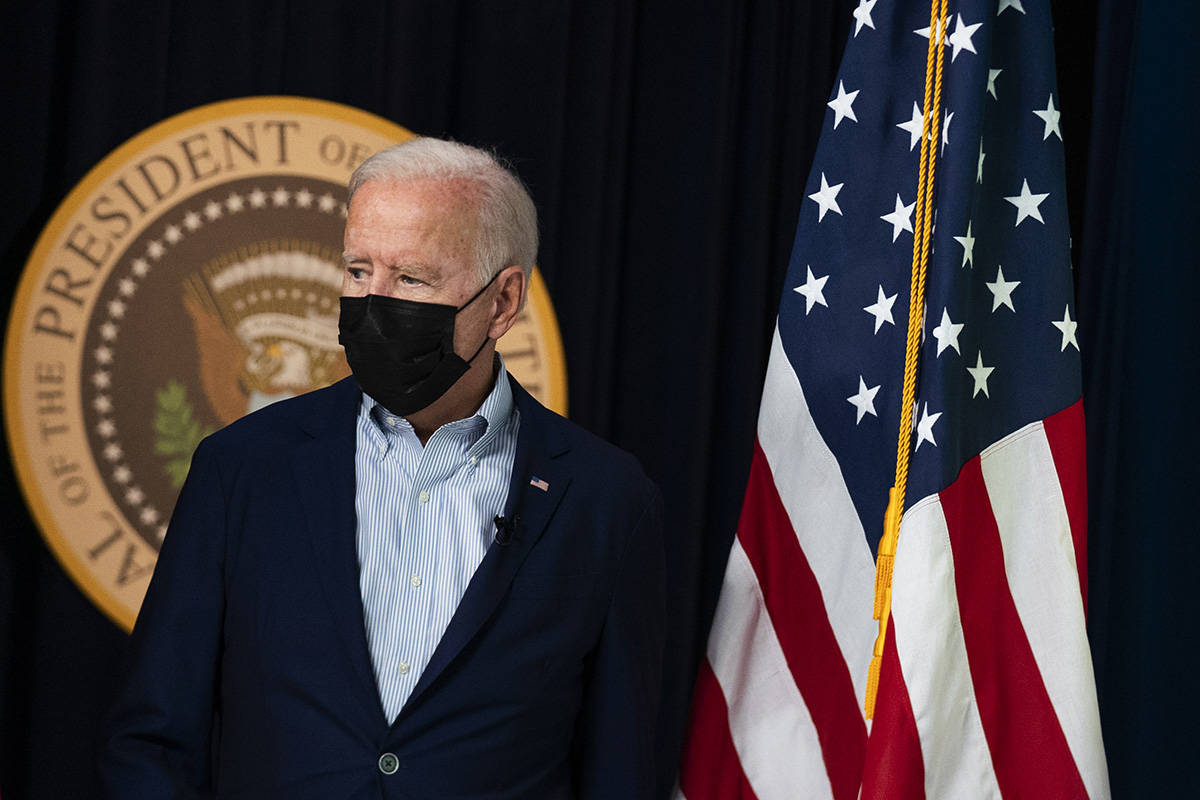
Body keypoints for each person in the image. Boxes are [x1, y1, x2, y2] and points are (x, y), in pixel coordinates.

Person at [99, 138, 666, 799]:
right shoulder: (243, 469)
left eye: (411, 279)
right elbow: (154, 739)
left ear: (503, 302)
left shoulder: (604, 498)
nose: (373, 302)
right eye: (358, 270)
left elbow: (620, 767)